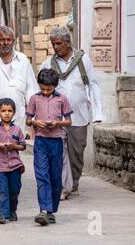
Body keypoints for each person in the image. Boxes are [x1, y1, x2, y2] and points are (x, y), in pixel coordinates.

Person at [40, 26, 104, 199]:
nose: (56, 47)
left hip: (79, 116)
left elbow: (93, 85)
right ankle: (63, 187)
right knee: (59, 153)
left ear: (68, 43)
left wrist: (98, 113)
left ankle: (73, 182)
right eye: (53, 44)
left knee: (76, 152)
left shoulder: (83, 61)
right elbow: (42, 90)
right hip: (56, 119)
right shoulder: (48, 64)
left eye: (59, 43)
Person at [26, 69, 73, 226]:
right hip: (40, 141)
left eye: (49, 89)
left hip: (56, 141)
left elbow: (69, 121)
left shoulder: (62, 99)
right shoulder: (34, 98)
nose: (45, 92)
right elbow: (27, 119)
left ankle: (51, 210)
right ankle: (44, 210)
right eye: (43, 88)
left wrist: (57, 123)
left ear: (55, 86)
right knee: (42, 176)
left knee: (55, 177)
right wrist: (34, 122)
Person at [0, 98, 26, 224]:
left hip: (15, 165)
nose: (7, 113)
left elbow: (23, 146)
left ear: (14, 113)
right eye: (4, 110)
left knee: (14, 190)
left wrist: (14, 146)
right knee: (2, 190)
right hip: (0, 165)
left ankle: (12, 210)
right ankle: (2, 215)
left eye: (10, 111)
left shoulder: (17, 130)